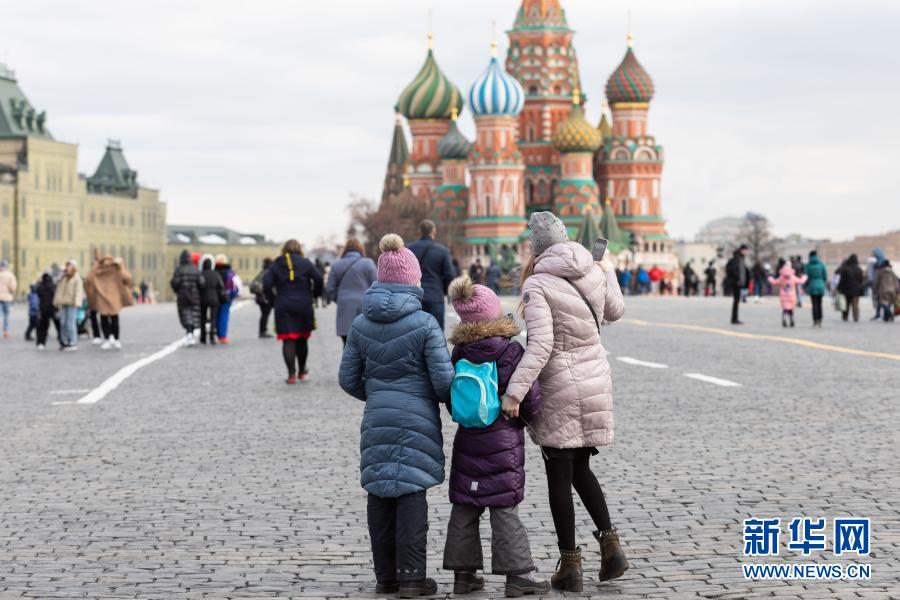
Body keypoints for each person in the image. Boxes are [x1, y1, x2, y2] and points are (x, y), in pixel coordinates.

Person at [501, 212, 628, 592]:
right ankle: (611, 546)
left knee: (559, 474)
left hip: (560, 384)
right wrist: (608, 272)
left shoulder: (538, 283)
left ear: (537, 246)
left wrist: (515, 392)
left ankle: (570, 564)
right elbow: (615, 311)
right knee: (581, 469)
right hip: (594, 380)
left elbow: (540, 346)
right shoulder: (592, 270)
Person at [338, 233, 454, 599]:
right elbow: (442, 381)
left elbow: (347, 379)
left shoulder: (360, 324)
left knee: (379, 494)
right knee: (410, 495)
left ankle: (385, 577)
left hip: (377, 417)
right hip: (417, 417)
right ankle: (411, 577)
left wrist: (376, 395)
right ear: (413, 281)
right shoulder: (424, 324)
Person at [442, 274, 550, 597]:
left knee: (465, 505)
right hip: (503, 440)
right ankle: (517, 576)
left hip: (468, 438)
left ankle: (464, 576)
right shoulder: (509, 351)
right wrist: (529, 419)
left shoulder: (460, 352)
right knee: (504, 507)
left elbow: (452, 398)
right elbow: (529, 398)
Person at [263, 239, 323, 383]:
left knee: (288, 339)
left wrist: (272, 299)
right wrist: (315, 295)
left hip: (283, 304)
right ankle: (302, 371)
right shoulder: (306, 263)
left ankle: (291, 375)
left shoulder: (277, 263)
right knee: (302, 338)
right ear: (299, 249)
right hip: (304, 304)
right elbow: (319, 279)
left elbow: (266, 283)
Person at [326, 239, 376, 347]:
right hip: (364, 306)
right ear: (360, 249)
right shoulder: (368, 263)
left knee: (347, 344)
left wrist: (339, 298)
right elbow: (376, 285)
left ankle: (350, 363)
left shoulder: (336, 265)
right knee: (365, 342)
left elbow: (330, 288)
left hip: (344, 306)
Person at [408, 219, 456, 330]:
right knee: (436, 333)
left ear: (419, 232)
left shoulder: (409, 249)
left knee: (415, 332)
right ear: (434, 231)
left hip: (414, 296)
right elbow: (450, 275)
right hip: (435, 296)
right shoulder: (442, 250)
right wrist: (444, 290)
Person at [84, 256, 134, 350]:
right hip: (102, 298)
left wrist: (120, 266)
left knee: (113, 320)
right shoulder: (98, 273)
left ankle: (115, 339)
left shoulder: (117, 272)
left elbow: (128, 279)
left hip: (113, 299)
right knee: (105, 320)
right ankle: (108, 338)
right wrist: (96, 265)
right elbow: (88, 279)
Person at [171, 249, 203, 346]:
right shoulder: (195, 269)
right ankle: (191, 333)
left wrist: (177, 290)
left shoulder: (178, 269)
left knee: (185, 315)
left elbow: (175, 283)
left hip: (182, 296)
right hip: (194, 296)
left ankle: (189, 333)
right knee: (193, 315)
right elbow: (201, 283)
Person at [53, 260, 85, 351]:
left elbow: (79, 291)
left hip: (72, 303)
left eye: (70, 266)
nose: (67, 268)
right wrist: (61, 276)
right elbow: (58, 288)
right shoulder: (64, 277)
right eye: (67, 266)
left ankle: (73, 341)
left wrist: (77, 302)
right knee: (63, 323)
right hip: (64, 302)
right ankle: (64, 341)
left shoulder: (77, 278)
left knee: (70, 323)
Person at [768, 263, 807, 328]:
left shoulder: (781, 277)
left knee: (785, 308)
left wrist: (770, 278)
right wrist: (805, 277)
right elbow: (800, 281)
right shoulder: (793, 277)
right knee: (791, 308)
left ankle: (784, 318)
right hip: (791, 295)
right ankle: (791, 319)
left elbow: (774, 282)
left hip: (783, 295)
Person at [199, 256, 225, 345]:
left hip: (202, 298)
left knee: (203, 318)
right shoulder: (216, 274)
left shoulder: (201, 273)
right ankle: (212, 337)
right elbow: (221, 286)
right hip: (214, 298)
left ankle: (203, 337)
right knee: (213, 318)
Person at [214, 254, 239, 343]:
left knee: (215, 315)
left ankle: (214, 333)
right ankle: (222, 336)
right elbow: (235, 286)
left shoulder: (213, 271)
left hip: (215, 296)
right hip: (226, 297)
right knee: (224, 316)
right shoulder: (229, 272)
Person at [725, 245, 750, 324]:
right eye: (745, 250)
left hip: (739, 282)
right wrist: (736, 279)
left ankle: (735, 318)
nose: (746, 252)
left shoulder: (741, 259)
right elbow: (732, 270)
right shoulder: (737, 259)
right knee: (736, 300)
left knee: (737, 300)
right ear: (742, 250)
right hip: (736, 282)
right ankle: (734, 318)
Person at [249, 257, 274, 338]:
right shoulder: (269, 272)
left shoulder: (262, 272)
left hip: (260, 297)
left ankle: (263, 331)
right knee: (265, 314)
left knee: (264, 314)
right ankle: (263, 331)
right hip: (265, 298)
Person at [836, 254, 864, 322]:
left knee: (846, 305)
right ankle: (856, 317)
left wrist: (839, 287)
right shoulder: (859, 269)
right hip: (856, 290)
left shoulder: (845, 269)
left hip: (846, 290)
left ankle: (845, 317)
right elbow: (861, 280)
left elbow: (842, 280)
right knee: (855, 305)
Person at [35, 273, 59, 350]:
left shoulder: (41, 286)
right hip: (53, 308)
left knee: (42, 327)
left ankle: (41, 343)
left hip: (43, 309)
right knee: (58, 326)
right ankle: (62, 341)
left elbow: (37, 293)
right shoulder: (53, 285)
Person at [804, 251, 828, 327]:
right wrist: (822, 282)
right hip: (820, 285)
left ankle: (815, 320)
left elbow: (806, 277)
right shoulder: (821, 264)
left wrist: (806, 286)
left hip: (812, 286)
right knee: (820, 303)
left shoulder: (808, 265)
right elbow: (825, 276)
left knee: (814, 304)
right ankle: (820, 319)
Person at [0, 259, 17, 338]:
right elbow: (13, 287)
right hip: (7, 297)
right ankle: (5, 331)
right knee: (6, 315)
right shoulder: (10, 275)